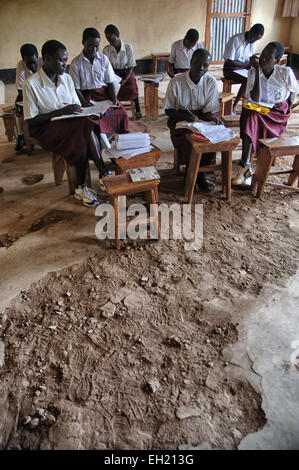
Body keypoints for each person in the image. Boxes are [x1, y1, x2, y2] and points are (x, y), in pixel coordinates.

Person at [23, 40, 110, 207]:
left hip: (70, 124)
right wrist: (61, 112)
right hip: (45, 127)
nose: (65, 63)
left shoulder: (67, 79)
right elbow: (31, 119)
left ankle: (81, 187)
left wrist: (87, 110)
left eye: (66, 59)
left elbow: (75, 108)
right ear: (47, 59)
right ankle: (103, 172)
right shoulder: (31, 84)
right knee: (82, 130)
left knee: (84, 127)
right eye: (61, 60)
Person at [233, 41, 298, 187]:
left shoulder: (284, 73)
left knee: (251, 116)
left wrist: (288, 107)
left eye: (268, 57)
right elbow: (254, 98)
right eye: (262, 55)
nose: (262, 59)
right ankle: (246, 166)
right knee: (249, 113)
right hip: (259, 108)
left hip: (276, 113)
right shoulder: (253, 72)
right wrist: (256, 72)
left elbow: (294, 90)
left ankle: (245, 167)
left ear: (276, 60)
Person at [165, 48, 221, 192]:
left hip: (201, 120)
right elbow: (169, 110)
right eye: (197, 64)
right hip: (180, 121)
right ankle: (190, 175)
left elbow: (209, 111)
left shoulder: (210, 82)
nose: (201, 69)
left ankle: (200, 174)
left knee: (210, 137)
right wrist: (184, 115)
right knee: (189, 140)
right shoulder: (176, 82)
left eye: (205, 65)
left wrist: (213, 121)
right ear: (190, 62)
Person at [69, 27, 130, 143]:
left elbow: (110, 82)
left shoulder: (103, 59)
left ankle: (105, 141)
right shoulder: (76, 63)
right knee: (91, 118)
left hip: (104, 97)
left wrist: (113, 99)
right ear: (83, 43)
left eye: (97, 46)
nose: (94, 49)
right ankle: (98, 142)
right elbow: (76, 88)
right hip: (87, 98)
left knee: (118, 113)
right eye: (90, 46)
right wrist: (83, 102)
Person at [223, 23, 264, 114]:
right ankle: (234, 106)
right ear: (251, 32)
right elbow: (230, 61)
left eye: (257, 40)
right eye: (254, 38)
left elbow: (250, 58)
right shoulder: (236, 40)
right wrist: (247, 65)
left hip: (243, 69)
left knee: (257, 77)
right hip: (230, 69)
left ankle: (250, 103)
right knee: (248, 79)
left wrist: (255, 61)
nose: (254, 41)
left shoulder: (251, 43)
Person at [103, 24, 142, 119]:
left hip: (126, 73)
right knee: (111, 89)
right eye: (108, 40)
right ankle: (115, 108)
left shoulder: (128, 47)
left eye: (112, 39)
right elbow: (107, 67)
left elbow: (130, 66)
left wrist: (124, 80)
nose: (110, 42)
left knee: (132, 88)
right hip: (113, 73)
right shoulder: (106, 49)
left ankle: (137, 107)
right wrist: (115, 79)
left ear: (117, 35)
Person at [15, 44, 42, 151]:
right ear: (23, 60)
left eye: (34, 62)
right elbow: (19, 89)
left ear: (38, 57)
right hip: (27, 94)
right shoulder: (20, 65)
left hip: (42, 93)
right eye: (29, 63)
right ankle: (21, 135)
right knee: (18, 105)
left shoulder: (43, 62)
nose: (33, 67)